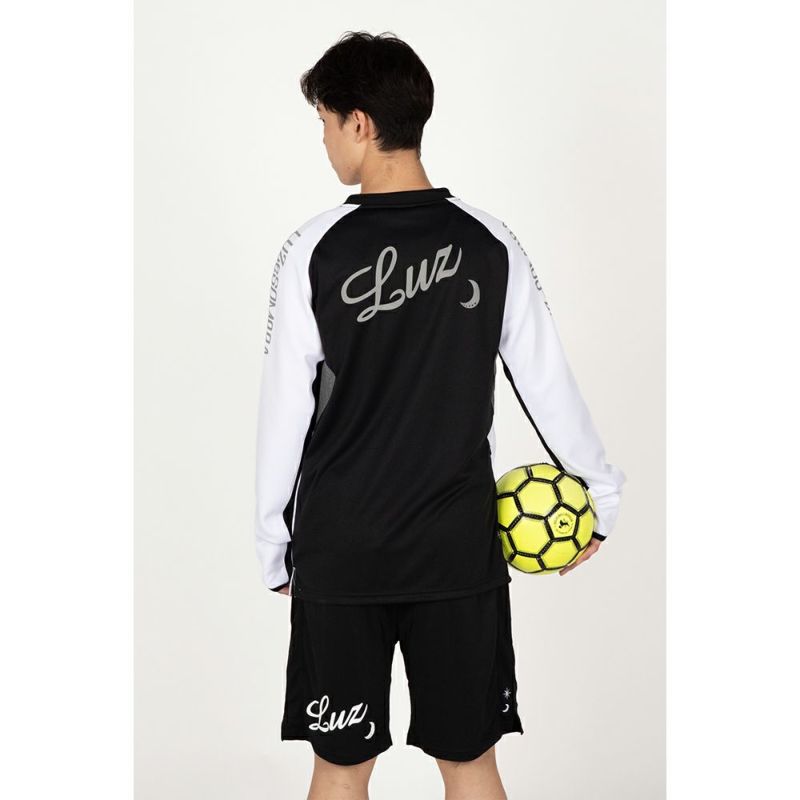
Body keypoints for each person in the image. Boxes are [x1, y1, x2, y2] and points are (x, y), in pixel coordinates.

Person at [254, 30, 626, 800]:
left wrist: (273, 543)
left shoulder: (314, 249)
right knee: (471, 764)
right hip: (455, 552)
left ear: (359, 123)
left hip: (342, 550)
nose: (324, 142)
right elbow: (547, 384)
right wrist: (601, 495)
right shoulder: (490, 243)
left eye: (325, 123)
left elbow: (284, 410)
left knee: (339, 768)